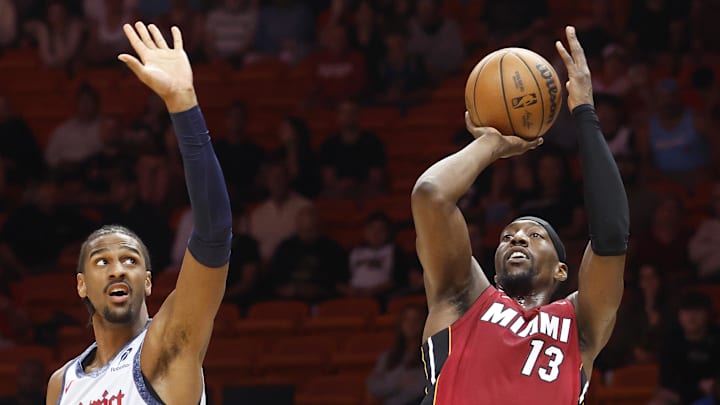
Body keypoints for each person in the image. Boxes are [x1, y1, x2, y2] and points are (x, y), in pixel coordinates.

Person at [411, 26, 629, 404]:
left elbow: (611, 236)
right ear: (493, 266)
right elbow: (431, 195)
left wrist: (585, 115)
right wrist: (491, 143)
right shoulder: (463, 298)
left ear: (563, 270)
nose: (518, 238)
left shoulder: (581, 326)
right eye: (508, 236)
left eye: (536, 235)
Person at [45, 22, 233, 404]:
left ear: (147, 282)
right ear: (81, 284)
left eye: (130, 260)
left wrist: (184, 103)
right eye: (102, 261)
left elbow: (214, 232)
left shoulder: (167, 345)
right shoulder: (61, 384)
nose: (117, 269)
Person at [367, 304, 427, 405]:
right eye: (406, 320)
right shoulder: (388, 357)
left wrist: (391, 383)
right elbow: (373, 386)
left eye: (416, 320)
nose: (411, 324)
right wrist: (399, 382)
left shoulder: (429, 355)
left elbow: (426, 387)